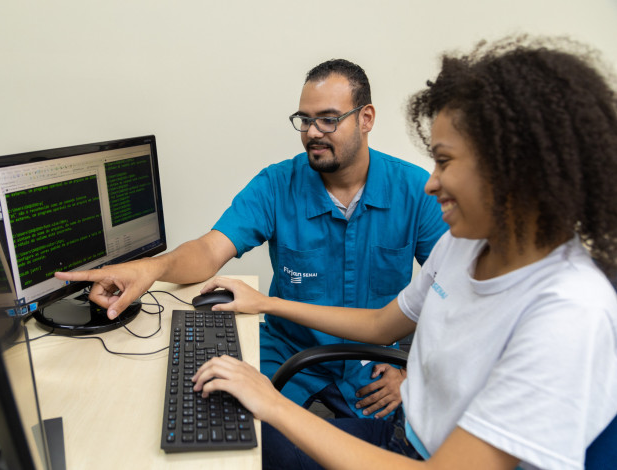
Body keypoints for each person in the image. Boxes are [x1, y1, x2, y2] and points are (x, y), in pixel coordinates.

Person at [191, 35, 617, 469]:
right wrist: (266, 304)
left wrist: (272, 404)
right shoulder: (466, 245)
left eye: (445, 162)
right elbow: (380, 324)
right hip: (403, 436)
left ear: (515, 169)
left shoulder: (569, 312)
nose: (430, 183)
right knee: (227, 437)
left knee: (247, 436)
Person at [56, 59, 447, 419]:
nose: (312, 132)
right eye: (305, 120)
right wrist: (151, 268)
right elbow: (210, 249)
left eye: (328, 120)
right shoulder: (276, 184)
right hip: (289, 351)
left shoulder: (417, 191)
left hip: (370, 361)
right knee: (225, 421)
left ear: (366, 118)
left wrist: (414, 371)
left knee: (369, 449)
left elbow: (453, 293)